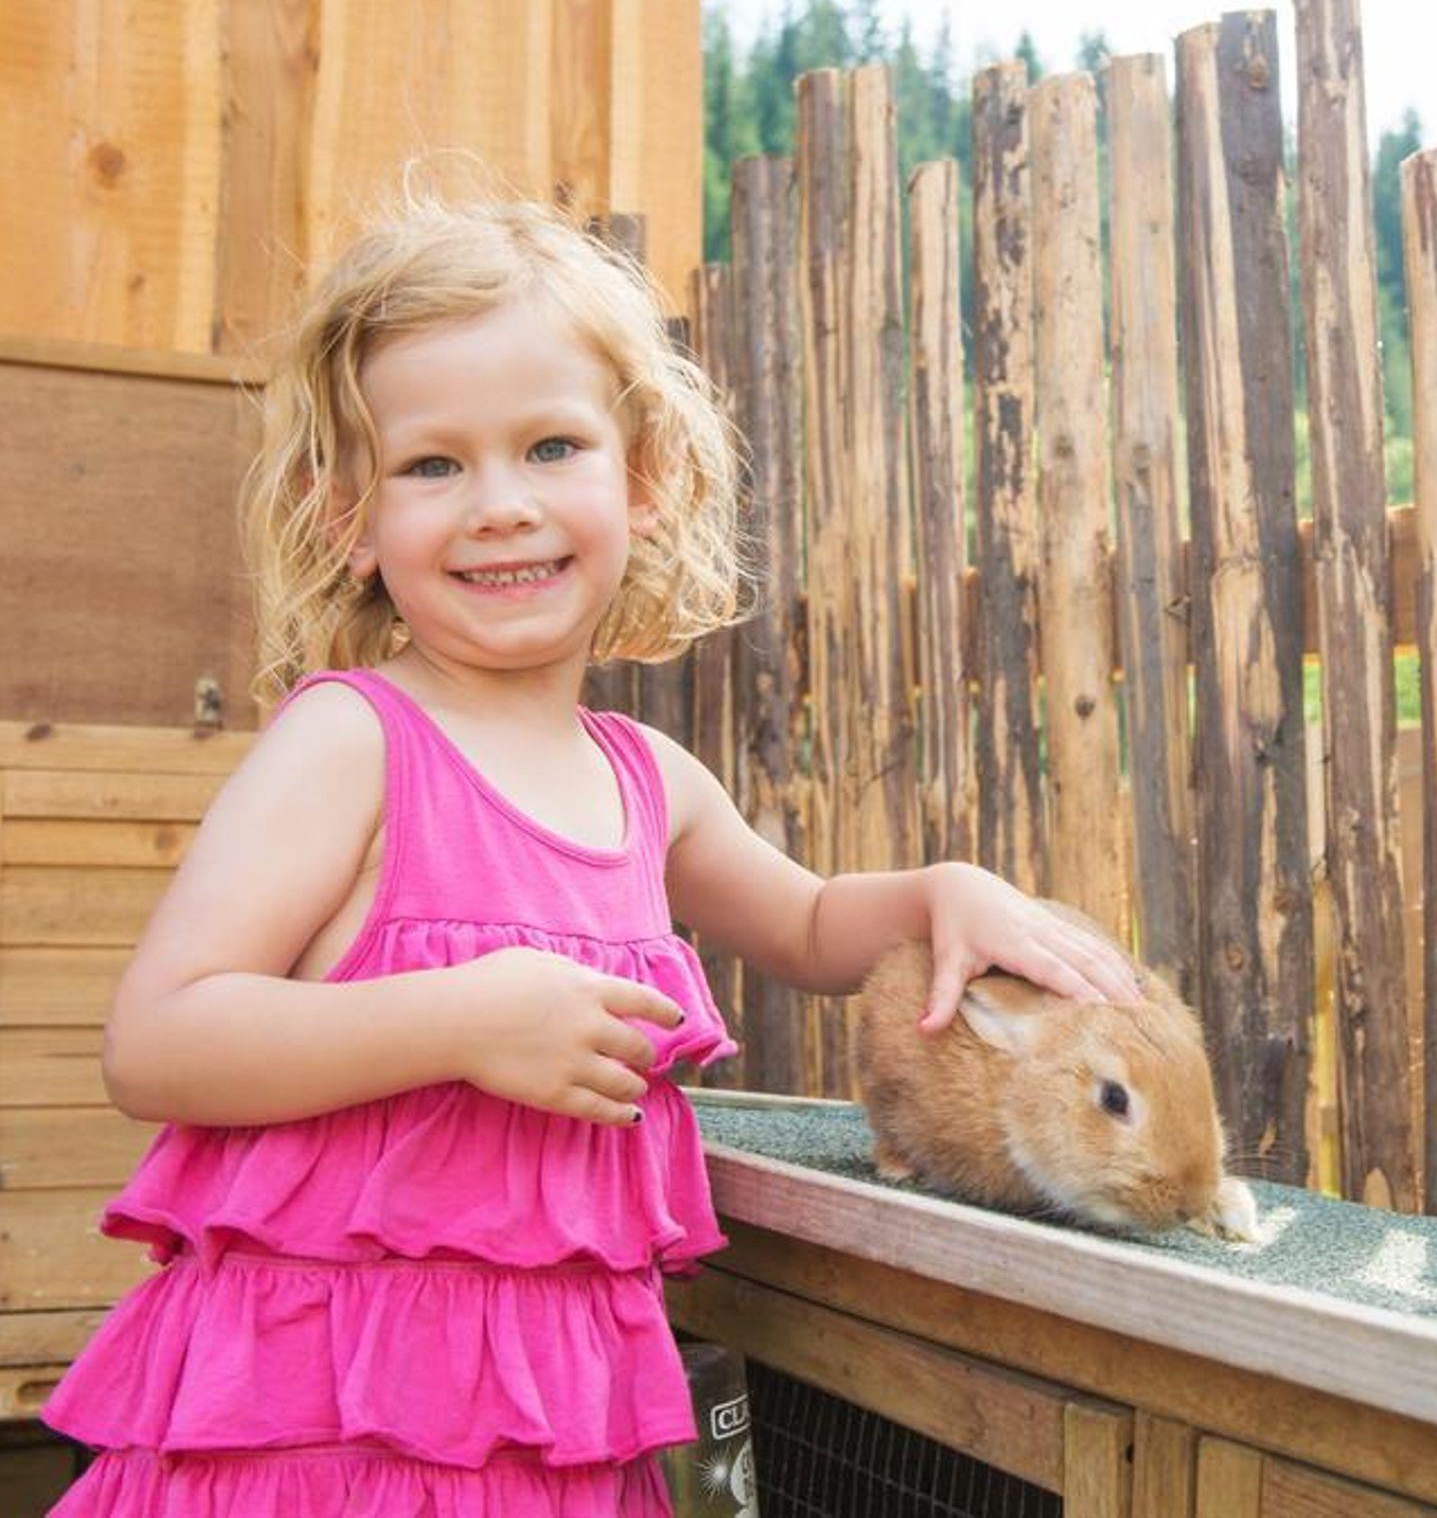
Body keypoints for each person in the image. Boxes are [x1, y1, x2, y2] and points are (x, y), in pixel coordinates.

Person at [39, 182, 1140, 1514]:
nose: (499, 504)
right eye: (432, 465)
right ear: (350, 519)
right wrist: (461, 1019)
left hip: (543, 1445)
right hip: (313, 1447)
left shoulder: (646, 780)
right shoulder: (353, 743)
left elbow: (806, 926)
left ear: (646, 480)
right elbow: (159, 1041)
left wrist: (939, 892)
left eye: (552, 446)